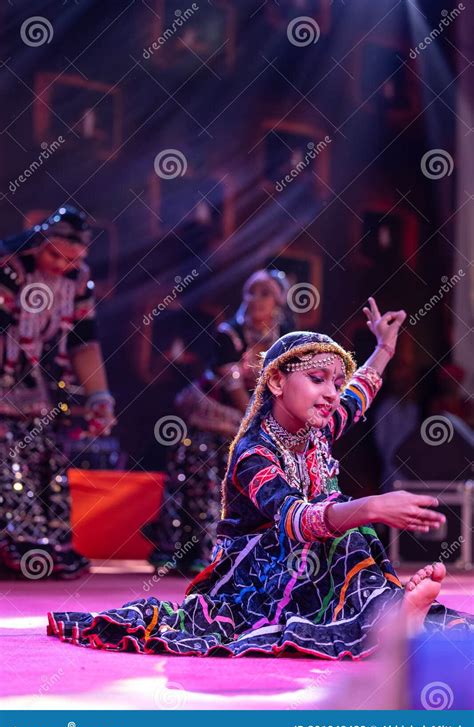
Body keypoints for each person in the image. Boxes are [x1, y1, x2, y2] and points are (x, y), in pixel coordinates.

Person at [47, 297, 473, 654]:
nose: (331, 392)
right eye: (318, 379)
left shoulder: (319, 425)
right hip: (251, 574)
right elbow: (296, 521)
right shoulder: (253, 453)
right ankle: (388, 615)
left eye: (336, 382)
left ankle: (392, 612)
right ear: (275, 382)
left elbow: (358, 393)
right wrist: (372, 507)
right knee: (345, 530)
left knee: (347, 538)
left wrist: (384, 346)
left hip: (307, 559)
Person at [142, 268, 293, 575]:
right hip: (212, 416)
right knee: (203, 482)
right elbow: (232, 383)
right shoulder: (229, 333)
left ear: (279, 302)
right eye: (252, 291)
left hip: (256, 420)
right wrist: (255, 422)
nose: (256, 299)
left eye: (265, 293)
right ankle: (194, 552)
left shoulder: (285, 339)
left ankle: (249, 552)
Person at [0, 206, 115, 579]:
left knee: (47, 458)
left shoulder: (79, 280)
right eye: (55, 255)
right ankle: (17, 543)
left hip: (35, 384)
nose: (63, 265)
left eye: (73, 258)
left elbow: (84, 342)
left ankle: (48, 545)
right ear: (38, 247)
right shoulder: (11, 268)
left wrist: (100, 398)